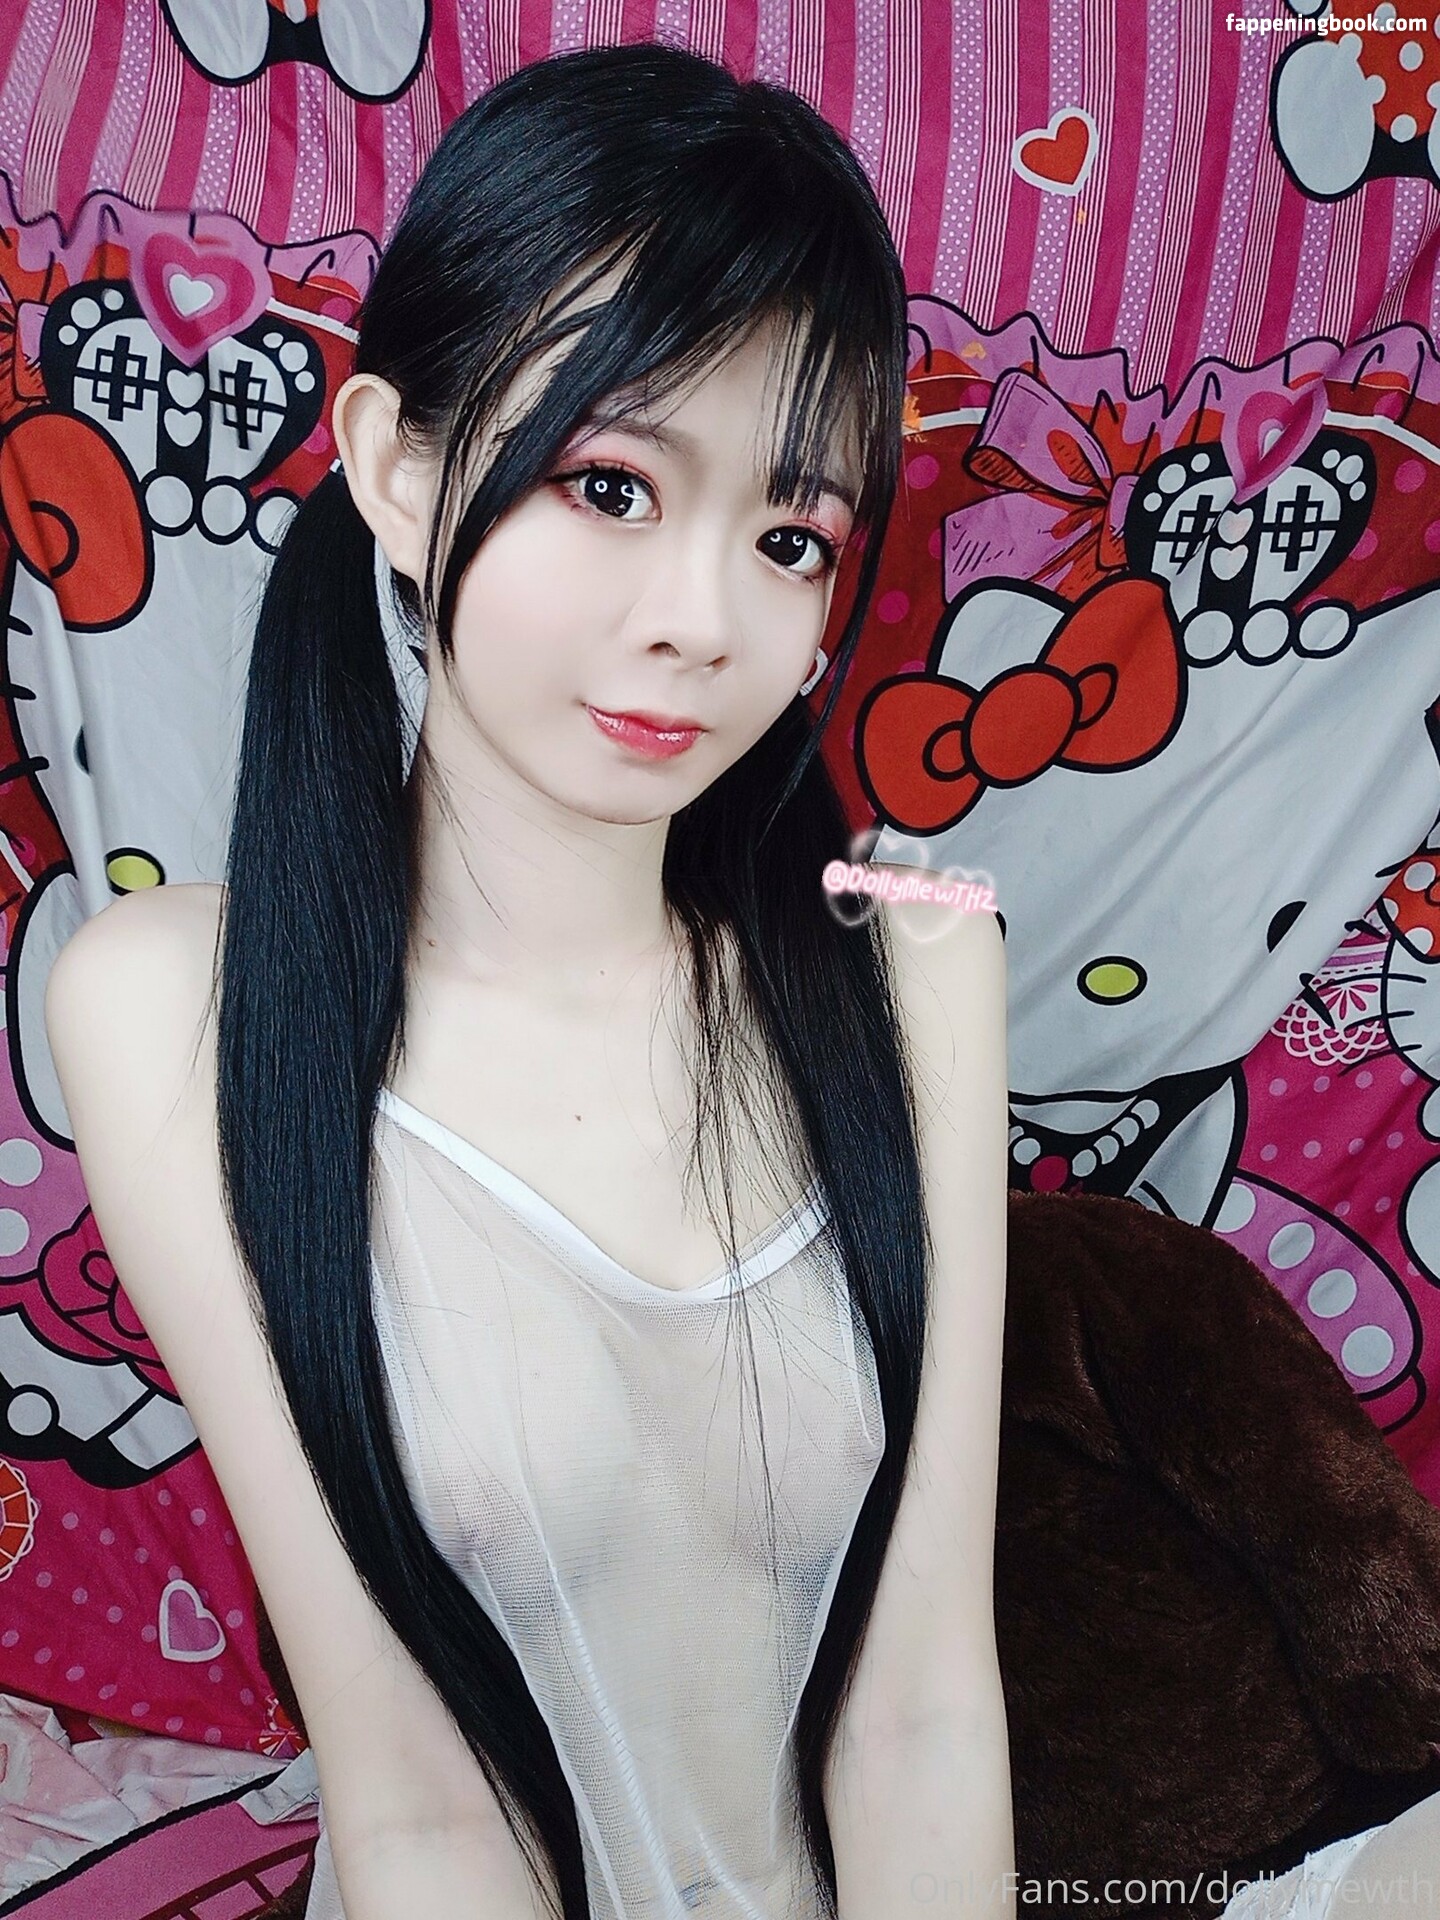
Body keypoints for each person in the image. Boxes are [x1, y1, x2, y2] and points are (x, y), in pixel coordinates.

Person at [43, 42, 1015, 1920]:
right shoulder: (169, 1004)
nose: (701, 620)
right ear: (397, 469)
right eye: (610, 484)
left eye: (789, 538)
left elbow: (922, 1715)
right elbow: (417, 1799)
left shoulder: (916, 964)